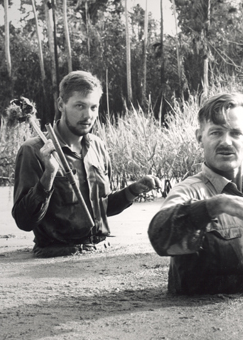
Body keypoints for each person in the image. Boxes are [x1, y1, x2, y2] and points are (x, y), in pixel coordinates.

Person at [13, 70, 161, 258]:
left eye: (93, 107)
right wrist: (49, 173)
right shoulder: (33, 150)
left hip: (100, 251)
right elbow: (24, 221)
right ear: (61, 104)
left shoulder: (97, 146)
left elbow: (102, 208)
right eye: (79, 106)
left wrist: (133, 190)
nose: (88, 115)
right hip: (54, 255)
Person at [147, 93, 243, 295]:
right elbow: (160, 236)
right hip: (195, 321)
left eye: (235, 133)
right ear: (199, 137)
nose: (226, 142)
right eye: (216, 133)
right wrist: (215, 205)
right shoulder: (189, 190)